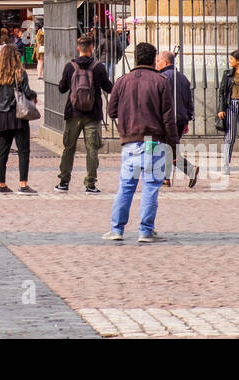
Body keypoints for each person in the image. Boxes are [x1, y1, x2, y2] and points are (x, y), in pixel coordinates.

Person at [102, 42, 176, 243]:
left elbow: (111, 111)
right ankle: (145, 230)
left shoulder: (122, 80)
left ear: (135, 58)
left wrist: (127, 116)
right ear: (153, 60)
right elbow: (168, 118)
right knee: (151, 186)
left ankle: (117, 229)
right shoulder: (161, 81)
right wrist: (173, 145)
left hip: (131, 141)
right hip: (155, 141)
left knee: (126, 186)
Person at [55, 34, 113, 194]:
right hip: (92, 114)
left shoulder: (70, 66)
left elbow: (62, 88)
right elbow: (108, 88)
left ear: (78, 48)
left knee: (69, 148)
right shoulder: (98, 67)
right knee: (92, 149)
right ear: (92, 48)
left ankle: (64, 182)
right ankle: (90, 184)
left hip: (73, 113)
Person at [0, 44, 36, 194]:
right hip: (18, 116)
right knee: (23, 151)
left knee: (3, 151)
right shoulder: (20, 73)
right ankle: (23, 184)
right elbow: (27, 92)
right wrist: (34, 95)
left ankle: (1, 184)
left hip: (1, 115)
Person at [156, 49, 198, 188]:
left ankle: (190, 170)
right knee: (168, 149)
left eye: (158, 61)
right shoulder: (182, 77)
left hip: (167, 119)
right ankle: (165, 178)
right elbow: (189, 100)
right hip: (180, 118)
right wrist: (187, 118)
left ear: (165, 62)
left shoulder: (162, 78)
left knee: (164, 149)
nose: (156, 63)